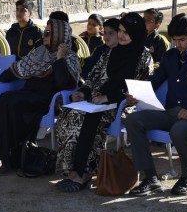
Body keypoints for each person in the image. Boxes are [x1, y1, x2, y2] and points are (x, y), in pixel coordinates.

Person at [124, 13, 187, 196]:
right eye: (174, 40)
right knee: (132, 120)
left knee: (178, 130)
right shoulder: (170, 56)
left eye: (182, 40)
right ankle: (150, 178)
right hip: (170, 112)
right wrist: (136, 94)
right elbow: (156, 79)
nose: (178, 44)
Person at [54, 13, 153, 192]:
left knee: (87, 120)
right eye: (120, 31)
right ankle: (71, 171)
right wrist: (83, 92)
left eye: (126, 32)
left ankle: (84, 173)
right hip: (97, 101)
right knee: (68, 115)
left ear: (136, 33)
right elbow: (93, 77)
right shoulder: (111, 51)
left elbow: (137, 88)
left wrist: (108, 98)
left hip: (123, 104)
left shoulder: (143, 56)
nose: (121, 35)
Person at [0, 19, 80, 173]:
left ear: (59, 36)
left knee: (8, 101)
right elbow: (14, 70)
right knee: (7, 103)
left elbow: (64, 84)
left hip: (47, 101)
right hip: (29, 95)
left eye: (48, 33)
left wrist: (60, 59)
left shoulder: (70, 58)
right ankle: (6, 159)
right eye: (45, 32)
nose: (44, 36)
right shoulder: (40, 52)